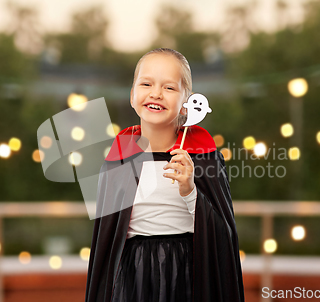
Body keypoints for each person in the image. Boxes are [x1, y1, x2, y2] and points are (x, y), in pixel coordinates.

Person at [85, 48, 245, 302]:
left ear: (187, 103)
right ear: (132, 95)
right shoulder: (119, 160)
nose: (156, 93)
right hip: (131, 274)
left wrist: (190, 191)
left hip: (187, 271)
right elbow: (107, 240)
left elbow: (223, 235)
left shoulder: (203, 157)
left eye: (169, 88)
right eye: (146, 83)